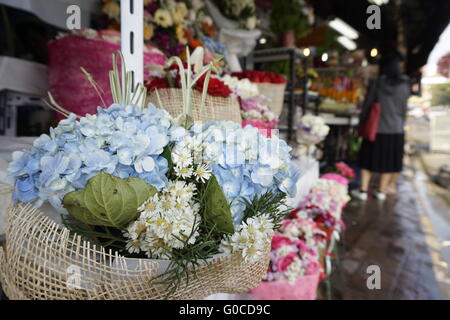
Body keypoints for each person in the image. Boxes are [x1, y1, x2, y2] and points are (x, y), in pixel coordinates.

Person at [352, 52, 410, 200]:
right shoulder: (404, 84)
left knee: (367, 159)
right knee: (389, 161)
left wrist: (360, 124)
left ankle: (364, 190)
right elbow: (404, 109)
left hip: (376, 128)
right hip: (396, 129)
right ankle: (381, 191)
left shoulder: (378, 83)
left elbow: (367, 105)